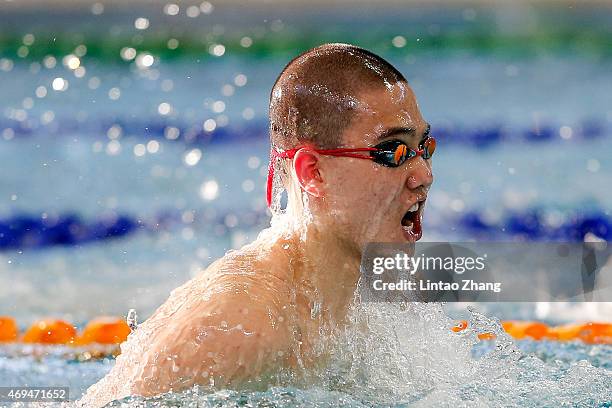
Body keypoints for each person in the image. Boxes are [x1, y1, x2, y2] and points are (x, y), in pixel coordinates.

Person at [79, 42, 434, 407]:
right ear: (312, 173)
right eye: (395, 151)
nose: (423, 175)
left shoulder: (385, 295)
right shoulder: (241, 322)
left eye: (424, 148)